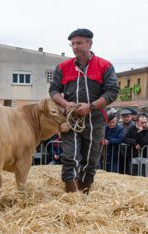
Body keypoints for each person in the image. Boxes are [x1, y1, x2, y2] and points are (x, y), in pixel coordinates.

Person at [49, 28, 119, 193]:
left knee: (90, 159)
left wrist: (91, 106)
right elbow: (53, 91)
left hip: (95, 119)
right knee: (70, 156)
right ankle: (71, 193)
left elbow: (112, 92)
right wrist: (65, 103)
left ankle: (84, 190)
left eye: (79, 43)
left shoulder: (105, 65)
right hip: (71, 119)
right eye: (72, 44)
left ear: (89, 43)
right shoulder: (63, 67)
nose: (75, 47)